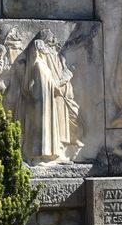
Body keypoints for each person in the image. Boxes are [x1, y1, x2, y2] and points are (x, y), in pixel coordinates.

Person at [19, 29, 82, 164]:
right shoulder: (39, 66)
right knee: (42, 130)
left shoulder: (41, 65)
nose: (49, 50)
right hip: (43, 105)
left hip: (47, 104)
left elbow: (51, 85)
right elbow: (51, 86)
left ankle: (48, 155)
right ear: (40, 49)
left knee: (47, 130)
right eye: (46, 47)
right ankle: (39, 156)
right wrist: (65, 78)